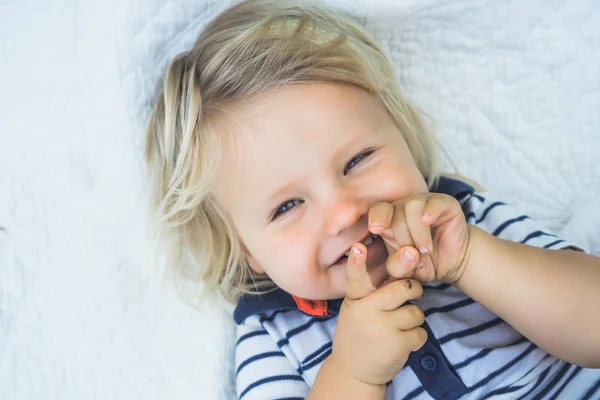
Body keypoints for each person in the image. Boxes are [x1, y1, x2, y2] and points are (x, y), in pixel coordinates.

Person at [144, 0, 600, 398]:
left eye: (358, 159)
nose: (345, 212)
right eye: (287, 206)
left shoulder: (464, 222)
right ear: (249, 251)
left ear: (402, 135)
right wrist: (352, 374)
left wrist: (472, 260)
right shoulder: (275, 336)